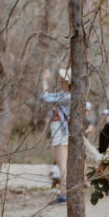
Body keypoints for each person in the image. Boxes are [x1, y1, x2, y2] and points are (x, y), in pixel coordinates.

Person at [41, 67, 71, 204]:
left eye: (62, 79)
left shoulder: (68, 96)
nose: (60, 80)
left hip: (61, 131)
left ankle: (64, 193)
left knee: (61, 164)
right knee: (61, 163)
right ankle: (64, 192)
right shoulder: (65, 94)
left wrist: (44, 81)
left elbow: (46, 98)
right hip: (60, 130)